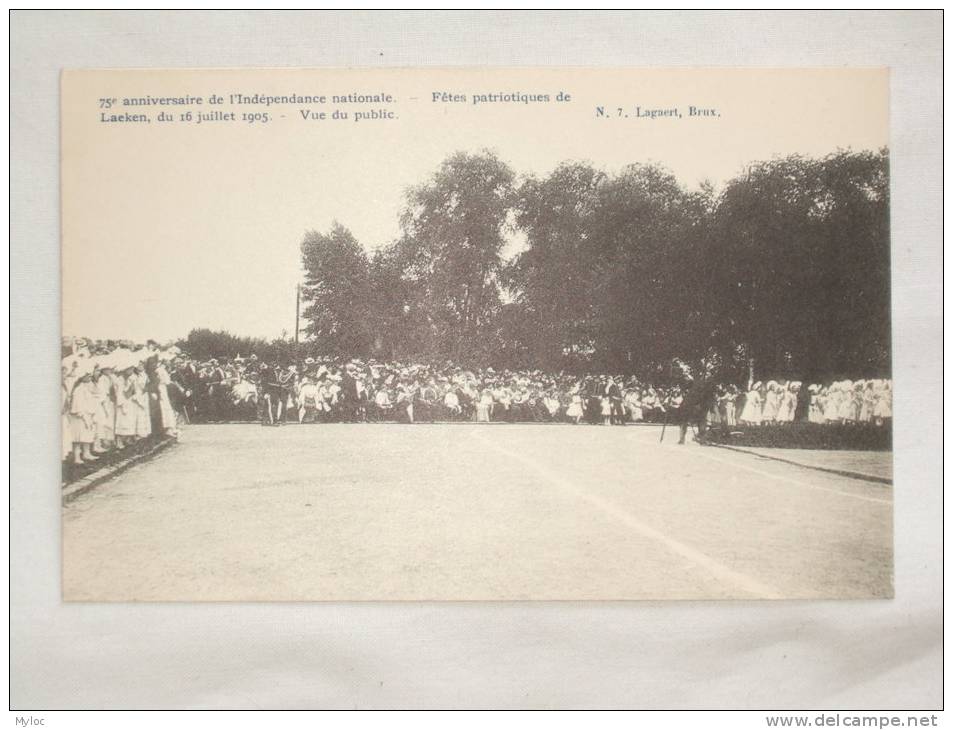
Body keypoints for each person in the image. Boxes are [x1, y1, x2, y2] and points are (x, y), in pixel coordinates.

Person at [675, 376, 718, 445]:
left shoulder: (695, 389)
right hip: (692, 406)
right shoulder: (702, 388)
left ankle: (682, 439)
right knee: (700, 422)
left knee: (686, 422)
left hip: (691, 406)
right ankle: (700, 440)